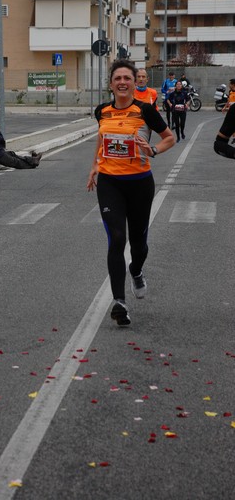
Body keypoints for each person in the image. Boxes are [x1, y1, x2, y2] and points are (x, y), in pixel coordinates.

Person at [87, 59, 175, 327]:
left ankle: (136, 270)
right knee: (116, 238)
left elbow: (168, 137)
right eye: (118, 79)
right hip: (110, 183)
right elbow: (102, 138)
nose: (123, 82)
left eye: (127, 78)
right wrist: (94, 166)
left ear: (133, 82)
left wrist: (154, 150)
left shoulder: (145, 110)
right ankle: (119, 302)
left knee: (138, 243)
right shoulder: (102, 110)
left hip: (139, 183)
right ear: (111, 84)